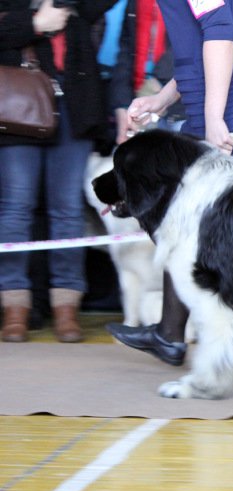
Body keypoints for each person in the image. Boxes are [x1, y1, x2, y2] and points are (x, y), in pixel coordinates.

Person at [106, 0, 233, 364]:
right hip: (222, 95)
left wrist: (214, 117)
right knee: (184, 219)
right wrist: (162, 100)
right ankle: (169, 334)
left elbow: (219, 34)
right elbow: (198, 43)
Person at [0, 0, 116, 343]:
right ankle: (14, 307)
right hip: (19, 102)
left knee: (66, 208)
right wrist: (36, 23)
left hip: (74, 103)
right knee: (15, 207)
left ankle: (67, 306)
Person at [110, 0, 186, 146]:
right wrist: (122, 106)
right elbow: (126, 51)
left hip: (179, 108)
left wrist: (158, 82)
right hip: (139, 101)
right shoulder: (134, 3)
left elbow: (194, 42)